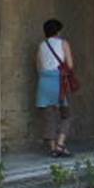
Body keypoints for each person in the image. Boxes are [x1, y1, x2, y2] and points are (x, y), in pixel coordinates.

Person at [36, 18, 74, 158]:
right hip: (59, 82)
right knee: (66, 115)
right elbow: (70, 65)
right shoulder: (63, 43)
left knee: (49, 117)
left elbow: (38, 67)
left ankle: (52, 148)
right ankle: (60, 145)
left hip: (44, 82)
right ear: (58, 31)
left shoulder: (41, 45)